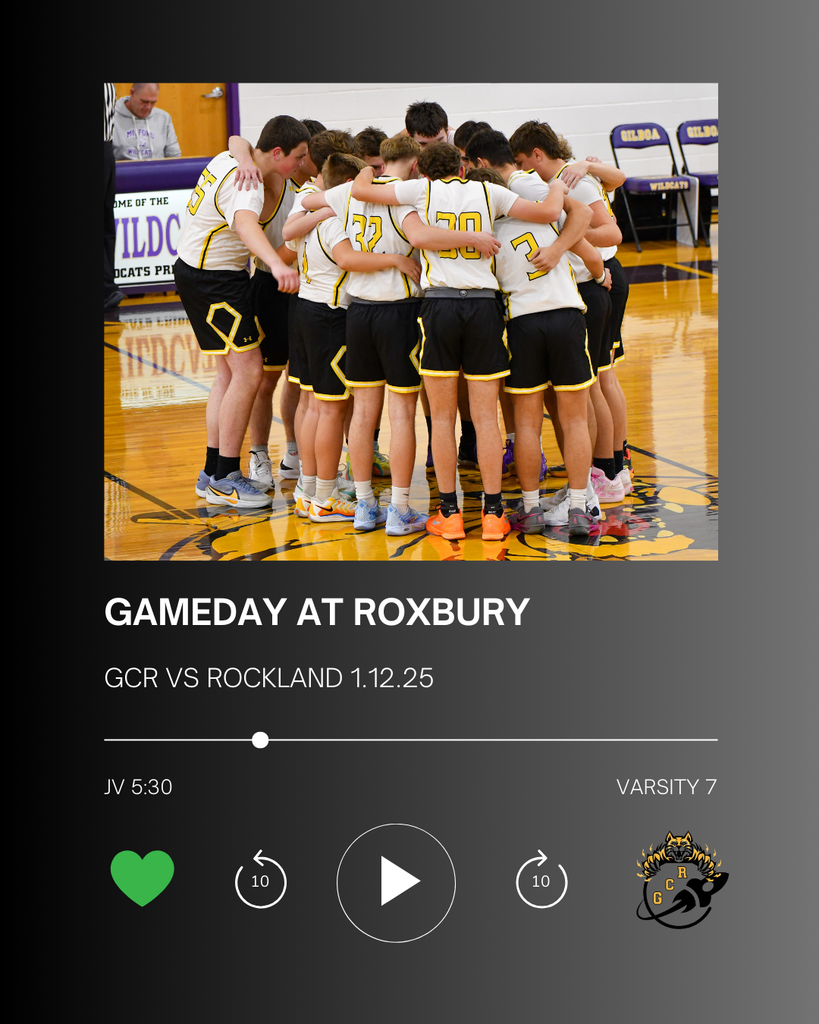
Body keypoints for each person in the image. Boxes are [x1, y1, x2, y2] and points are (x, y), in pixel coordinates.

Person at [351, 141, 569, 542]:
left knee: (442, 418)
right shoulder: (490, 191)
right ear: (463, 168)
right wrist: (555, 183)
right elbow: (550, 212)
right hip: (484, 306)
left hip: (440, 307)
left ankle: (449, 512)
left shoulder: (421, 190)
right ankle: (492, 513)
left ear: (422, 170)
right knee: (487, 418)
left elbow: (362, 191)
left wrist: (368, 170)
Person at [299, 134, 500, 536]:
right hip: (402, 312)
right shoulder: (408, 199)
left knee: (362, 414)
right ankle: (399, 509)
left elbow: (306, 204)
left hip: (359, 313)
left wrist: (340, 194)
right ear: (413, 166)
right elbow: (424, 239)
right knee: (402, 413)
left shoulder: (348, 194)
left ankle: (363, 505)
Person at [173, 116, 305, 510]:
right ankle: (226, 478)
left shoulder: (228, 159)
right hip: (215, 282)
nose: (300, 165)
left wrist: (243, 150)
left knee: (228, 374)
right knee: (248, 372)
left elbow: (237, 139)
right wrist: (277, 264)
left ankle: (212, 471)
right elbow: (247, 225)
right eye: (297, 158)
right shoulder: (247, 186)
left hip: (198, 273)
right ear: (277, 152)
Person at [113, 84, 181, 161]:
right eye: (144, 101)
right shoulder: (111, 118)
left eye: (153, 102)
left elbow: (174, 155)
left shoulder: (163, 118)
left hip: (158, 171)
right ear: (132, 93)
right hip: (123, 171)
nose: (148, 107)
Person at [104, 83, 125, 311]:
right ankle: (107, 287)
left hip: (105, 148)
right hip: (106, 151)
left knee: (106, 223)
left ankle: (107, 288)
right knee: (106, 222)